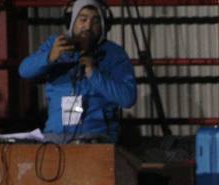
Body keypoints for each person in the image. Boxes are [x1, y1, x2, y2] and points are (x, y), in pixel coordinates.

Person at [18, 0, 136, 142]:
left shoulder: (114, 54)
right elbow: (24, 71)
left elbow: (128, 98)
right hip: (56, 136)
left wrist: (93, 74)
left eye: (95, 21)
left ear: (104, 26)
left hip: (96, 138)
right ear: (71, 21)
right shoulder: (56, 45)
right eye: (83, 19)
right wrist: (49, 57)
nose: (88, 26)